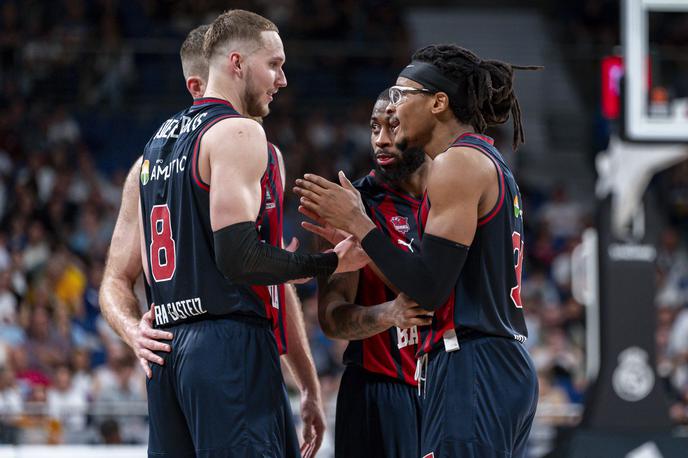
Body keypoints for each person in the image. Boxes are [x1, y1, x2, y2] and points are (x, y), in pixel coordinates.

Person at [101, 14, 362, 456]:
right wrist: (327, 263)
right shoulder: (242, 134)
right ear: (237, 63)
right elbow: (242, 259)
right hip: (228, 346)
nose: (282, 80)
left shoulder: (149, 156)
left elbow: (113, 280)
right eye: (274, 65)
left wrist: (133, 332)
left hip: (168, 356)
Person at [294, 44, 539, 457]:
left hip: (471, 363)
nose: (395, 107)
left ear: (439, 103)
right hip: (489, 362)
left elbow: (428, 288)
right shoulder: (486, 161)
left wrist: (360, 225)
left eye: (403, 95)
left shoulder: (456, 163)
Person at [307, 89, 430, 458]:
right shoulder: (349, 206)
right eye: (374, 127)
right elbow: (331, 317)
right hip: (380, 392)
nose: (381, 140)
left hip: (443, 387)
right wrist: (386, 314)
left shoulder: (452, 201)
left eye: (394, 126)